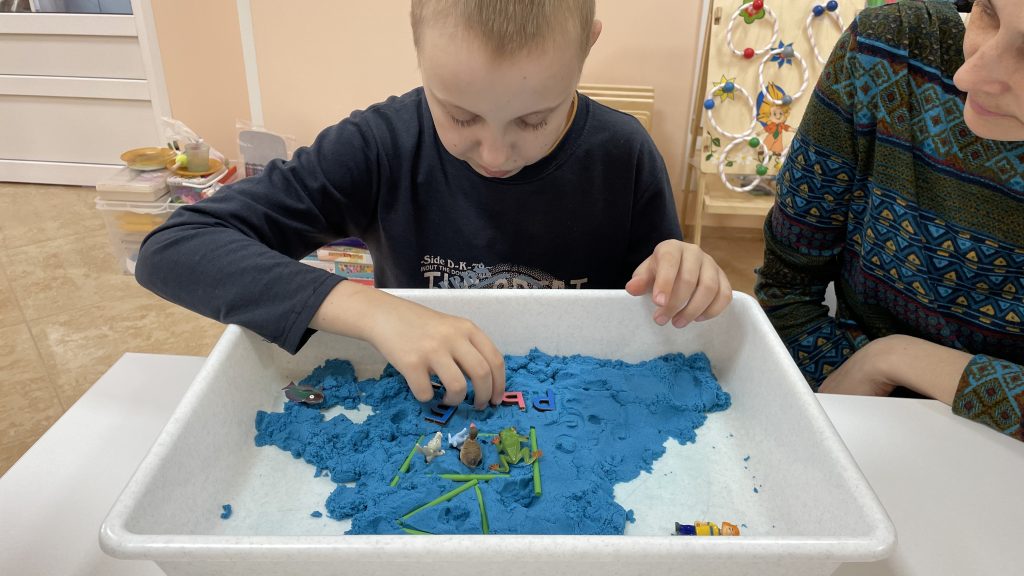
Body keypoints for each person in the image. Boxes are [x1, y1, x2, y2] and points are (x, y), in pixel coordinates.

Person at [137, 0, 732, 411]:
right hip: (426, 400)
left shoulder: (624, 155)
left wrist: (681, 270)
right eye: (460, 116)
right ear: (418, 45)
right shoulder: (379, 146)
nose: (495, 154)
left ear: (587, 48)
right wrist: (374, 312)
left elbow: (656, 305)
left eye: (534, 120)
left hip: (577, 401)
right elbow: (174, 247)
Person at [756, 0, 1024, 441]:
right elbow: (785, 292)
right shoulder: (888, 51)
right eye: (988, 12)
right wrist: (852, 398)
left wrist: (895, 359)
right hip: (856, 422)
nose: (967, 76)